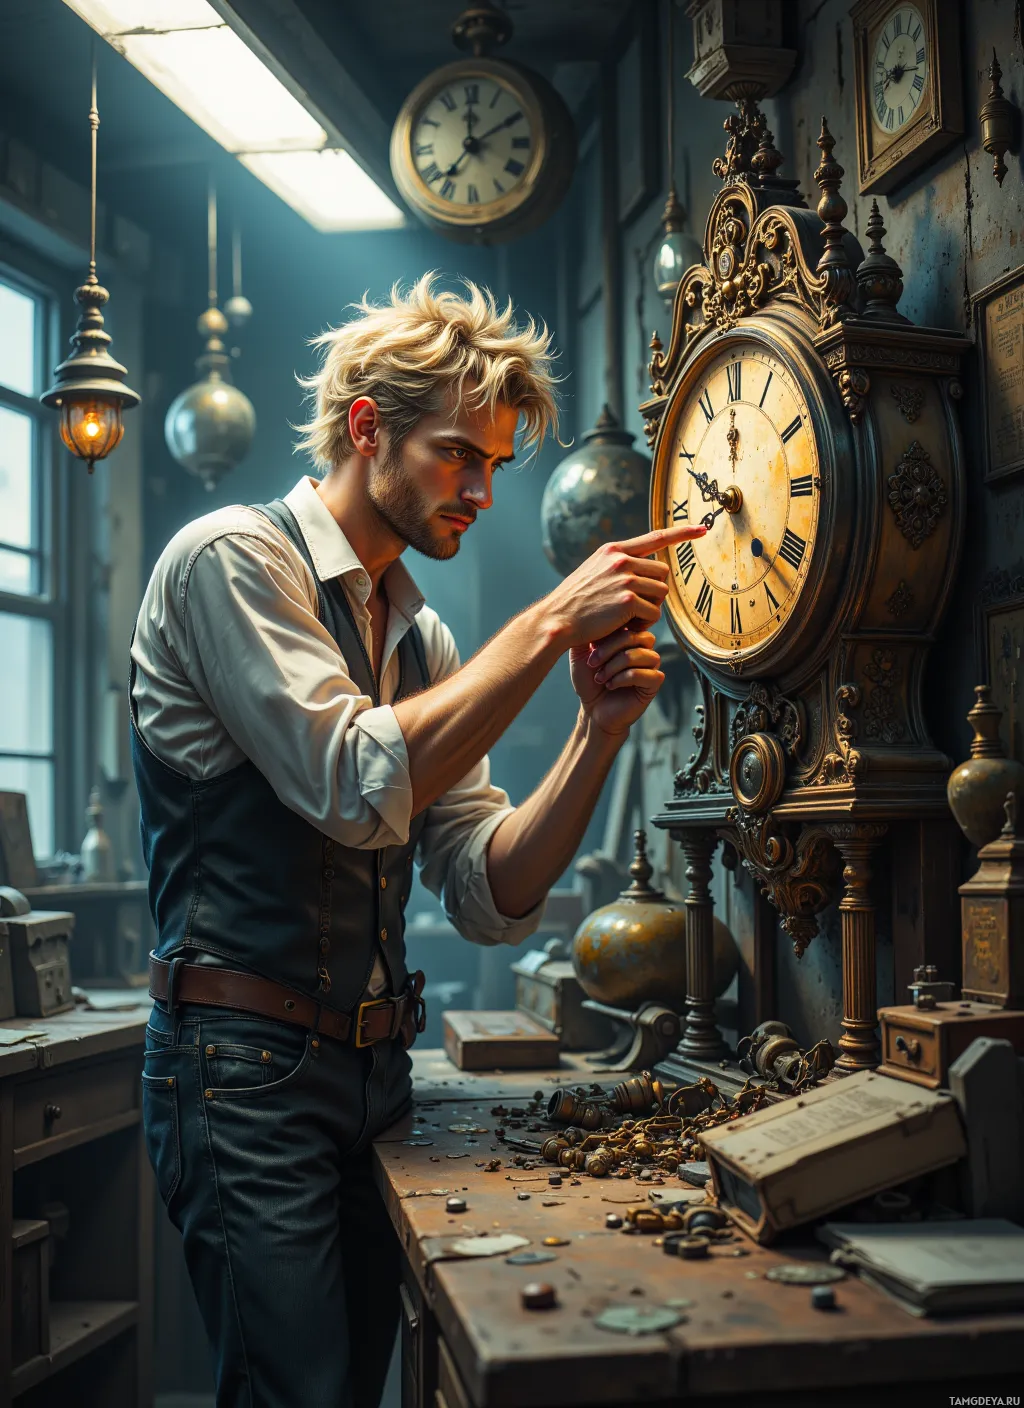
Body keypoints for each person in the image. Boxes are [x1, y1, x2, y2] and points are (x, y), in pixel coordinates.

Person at [131, 273, 705, 1408]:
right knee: (294, 1393)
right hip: (242, 1075)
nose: (483, 491)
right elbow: (352, 782)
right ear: (364, 428)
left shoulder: (417, 628)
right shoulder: (228, 563)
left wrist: (596, 736)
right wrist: (548, 623)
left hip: (374, 1072)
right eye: (458, 455)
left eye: (494, 463)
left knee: (352, 1389)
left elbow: (492, 889)